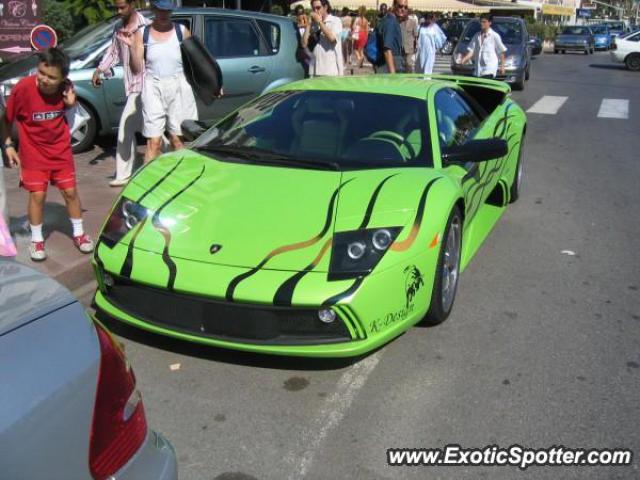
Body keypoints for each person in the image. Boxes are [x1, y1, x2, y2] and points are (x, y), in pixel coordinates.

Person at [1, 48, 94, 261]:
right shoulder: (23, 88)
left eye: (51, 77)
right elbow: (5, 119)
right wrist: (8, 145)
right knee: (38, 196)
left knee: (70, 193)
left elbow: (72, 114)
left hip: (60, 152)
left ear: (63, 78)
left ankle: (79, 235)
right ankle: (37, 240)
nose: (44, 79)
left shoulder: (66, 90)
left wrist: (71, 104)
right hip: (33, 154)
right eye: (41, 72)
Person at [122, 0, 198, 164]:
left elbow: (198, 62)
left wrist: (214, 84)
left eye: (167, 11)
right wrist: (131, 49)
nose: (164, 14)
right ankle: (148, 184)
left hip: (178, 86)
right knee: (153, 143)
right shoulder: (142, 33)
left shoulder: (182, 31)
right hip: (153, 87)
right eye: (160, 10)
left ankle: (180, 179)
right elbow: (136, 69)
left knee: (177, 140)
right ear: (154, 9)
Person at [93, 0, 149, 187]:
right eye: (116, 7)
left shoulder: (145, 26)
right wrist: (100, 69)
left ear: (132, 4)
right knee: (147, 127)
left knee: (126, 127)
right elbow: (113, 52)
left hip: (144, 86)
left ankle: (123, 174)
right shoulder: (118, 27)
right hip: (131, 85)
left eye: (122, 7)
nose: (118, 11)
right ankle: (170, 155)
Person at [302, 0, 344, 77]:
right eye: (313, 8)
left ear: (325, 7)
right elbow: (304, 44)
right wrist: (308, 25)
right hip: (314, 70)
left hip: (329, 71)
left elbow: (332, 39)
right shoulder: (313, 24)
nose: (315, 11)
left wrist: (320, 22)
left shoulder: (335, 21)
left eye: (318, 8)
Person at [460, 14, 506, 79]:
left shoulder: (494, 36)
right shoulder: (477, 36)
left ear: (489, 23)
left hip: (489, 69)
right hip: (478, 69)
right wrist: (464, 60)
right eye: (481, 21)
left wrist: (502, 66)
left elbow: (501, 52)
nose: (481, 24)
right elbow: (471, 51)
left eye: (484, 22)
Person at [377, 0, 404, 73]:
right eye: (400, 6)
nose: (403, 9)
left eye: (406, 7)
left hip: (392, 61)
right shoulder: (390, 22)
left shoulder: (390, 20)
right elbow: (387, 49)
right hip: (391, 62)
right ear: (394, 6)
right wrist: (393, 74)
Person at [398, 5, 419, 73]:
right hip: (401, 47)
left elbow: (416, 35)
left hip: (410, 47)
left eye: (406, 12)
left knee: (409, 64)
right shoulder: (400, 22)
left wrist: (416, 46)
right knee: (401, 64)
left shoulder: (413, 22)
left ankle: (409, 78)